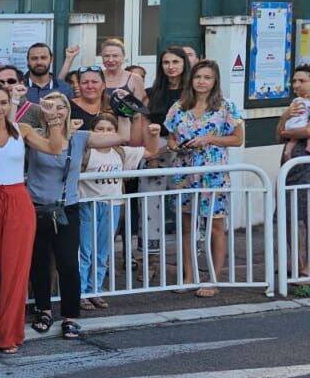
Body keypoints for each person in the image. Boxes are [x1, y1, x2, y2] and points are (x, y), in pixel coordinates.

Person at [0, 85, 65, 354]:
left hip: (19, 199)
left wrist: (53, 119)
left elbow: (55, 148)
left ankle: (8, 334)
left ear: (10, 104)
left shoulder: (24, 130)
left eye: (3, 102)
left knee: (15, 270)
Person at [24, 92, 104, 342]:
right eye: (50, 106)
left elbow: (123, 136)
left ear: (69, 110)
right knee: (39, 263)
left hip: (66, 207)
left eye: (61, 107)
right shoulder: (32, 134)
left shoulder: (80, 137)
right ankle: (43, 310)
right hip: (36, 205)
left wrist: (126, 113)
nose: (55, 111)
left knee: (68, 263)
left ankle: (71, 316)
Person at [164, 59, 243, 298]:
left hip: (212, 173)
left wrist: (209, 139)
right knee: (187, 225)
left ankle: (214, 278)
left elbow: (237, 138)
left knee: (215, 226)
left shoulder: (226, 106)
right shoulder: (179, 106)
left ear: (215, 80)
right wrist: (175, 145)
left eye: (207, 77)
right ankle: (189, 275)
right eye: (198, 77)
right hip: (185, 171)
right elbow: (171, 138)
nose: (202, 82)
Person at [79, 114, 158, 307]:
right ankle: (80, 292)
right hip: (87, 205)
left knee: (103, 251)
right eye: (100, 129)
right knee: (85, 250)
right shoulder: (85, 151)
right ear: (92, 132)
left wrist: (153, 134)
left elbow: (151, 152)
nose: (105, 133)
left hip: (112, 206)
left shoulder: (121, 152)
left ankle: (95, 289)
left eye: (109, 129)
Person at [278, 66, 310, 281]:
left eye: (301, 80)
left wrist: (286, 132)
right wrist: (286, 118)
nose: (296, 85)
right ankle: (296, 262)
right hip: (289, 165)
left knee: (308, 215)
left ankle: (308, 266)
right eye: (294, 81)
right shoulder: (294, 105)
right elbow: (278, 132)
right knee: (288, 215)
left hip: (306, 163)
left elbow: (307, 131)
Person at [99, 38, 146, 103]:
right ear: (102, 57)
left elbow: (139, 109)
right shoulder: (96, 77)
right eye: (106, 56)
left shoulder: (135, 79)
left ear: (123, 57)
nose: (110, 60)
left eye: (115, 56)